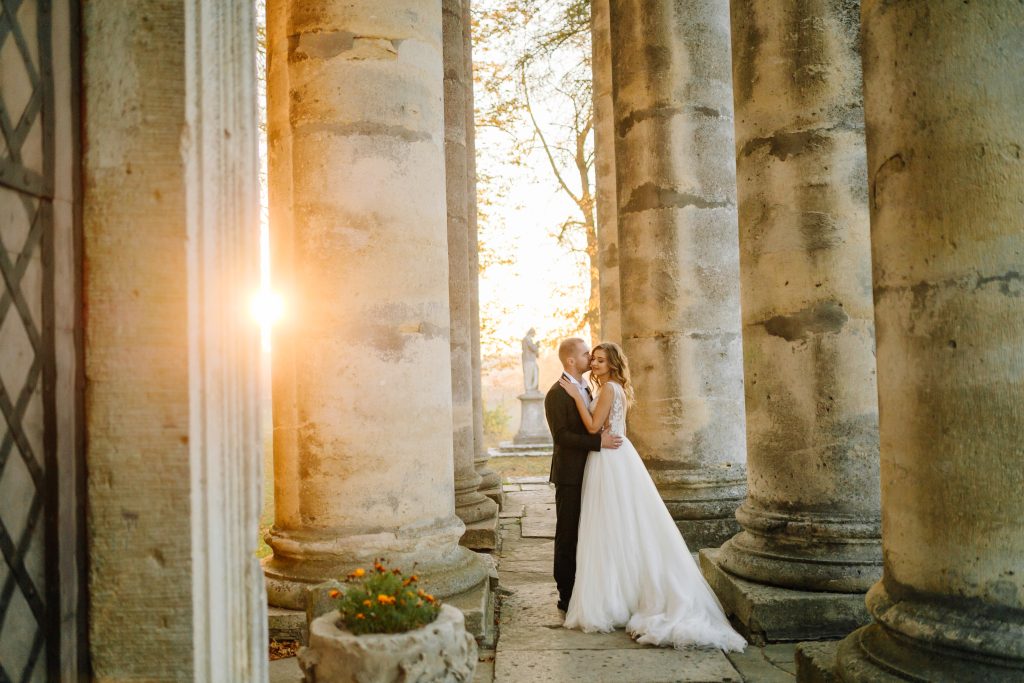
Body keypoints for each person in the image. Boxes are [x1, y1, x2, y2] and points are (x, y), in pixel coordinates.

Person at [557, 342, 746, 651]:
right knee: (620, 525)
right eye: (594, 359)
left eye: (602, 361)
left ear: (613, 364)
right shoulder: (613, 388)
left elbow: (592, 426)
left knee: (609, 524)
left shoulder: (607, 390)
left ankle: (615, 596)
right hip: (616, 456)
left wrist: (577, 397)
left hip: (608, 459)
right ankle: (622, 591)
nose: (596, 364)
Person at [544, 338, 623, 612]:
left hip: (591, 471)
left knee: (586, 531)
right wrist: (597, 442)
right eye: (585, 353)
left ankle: (586, 586)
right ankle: (566, 594)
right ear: (571, 361)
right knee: (567, 534)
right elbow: (561, 436)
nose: (590, 357)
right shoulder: (557, 393)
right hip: (569, 475)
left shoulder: (587, 387)